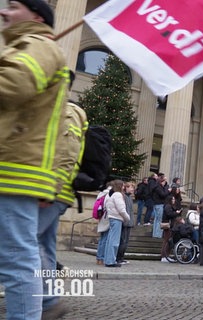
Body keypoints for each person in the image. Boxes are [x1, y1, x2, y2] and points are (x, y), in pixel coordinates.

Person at [0, 1, 68, 318]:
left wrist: (54, 183)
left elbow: (14, 84)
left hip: (14, 169)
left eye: (13, 6)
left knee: (18, 255)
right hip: (16, 166)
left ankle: (41, 307)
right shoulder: (29, 46)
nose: (4, 12)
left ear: (37, 15)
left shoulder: (39, 45)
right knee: (21, 252)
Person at [37, 70, 87, 318]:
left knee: (26, 242)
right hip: (52, 191)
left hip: (54, 192)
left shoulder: (67, 111)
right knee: (44, 246)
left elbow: (68, 153)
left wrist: (52, 188)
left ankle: (47, 300)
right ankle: (48, 299)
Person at [104, 180, 130, 267]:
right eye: (123, 186)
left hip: (112, 217)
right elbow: (121, 209)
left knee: (110, 240)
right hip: (117, 219)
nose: (124, 187)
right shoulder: (118, 195)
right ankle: (111, 261)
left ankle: (108, 259)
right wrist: (127, 217)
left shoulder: (111, 195)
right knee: (114, 241)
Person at [116, 182, 135, 264]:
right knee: (122, 241)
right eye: (131, 187)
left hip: (129, 222)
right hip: (125, 222)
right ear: (126, 188)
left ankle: (122, 257)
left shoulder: (129, 197)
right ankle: (118, 258)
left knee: (126, 242)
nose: (133, 189)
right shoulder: (123, 197)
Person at [160, 195, 182, 262]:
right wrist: (176, 213)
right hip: (168, 225)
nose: (174, 201)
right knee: (166, 241)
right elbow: (169, 214)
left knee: (169, 241)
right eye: (172, 199)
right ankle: (164, 256)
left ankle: (167, 255)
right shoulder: (167, 206)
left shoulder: (170, 206)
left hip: (171, 225)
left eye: (174, 199)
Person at [151, 174, 169, 238]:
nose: (165, 182)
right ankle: (158, 235)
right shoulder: (158, 187)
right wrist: (167, 190)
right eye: (165, 181)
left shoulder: (156, 187)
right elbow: (163, 195)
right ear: (162, 181)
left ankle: (155, 234)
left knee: (156, 220)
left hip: (156, 204)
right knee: (159, 220)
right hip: (159, 204)